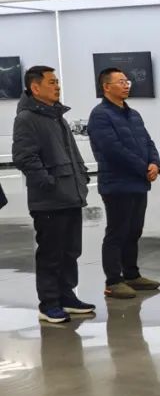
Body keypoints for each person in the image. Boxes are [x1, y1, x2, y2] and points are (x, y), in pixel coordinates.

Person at [12, 65, 96, 323]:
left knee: (70, 251)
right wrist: (48, 183)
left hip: (70, 195)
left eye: (57, 81)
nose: (57, 86)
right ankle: (49, 303)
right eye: (51, 82)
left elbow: (71, 152)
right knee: (51, 254)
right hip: (49, 200)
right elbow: (24, 157)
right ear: (35, 87)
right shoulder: (27, 118)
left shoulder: (56, 116)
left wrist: (81, 176)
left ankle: (66, 297)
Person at [86, 67, 160, 299]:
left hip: (138, 182)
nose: (126, 85)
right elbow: (112, 150)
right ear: (106, 86)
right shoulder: (100, 115)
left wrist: (155, 163)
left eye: (127, 81)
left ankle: (131, 274)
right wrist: (143, 168)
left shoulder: (133, 114)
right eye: (120, 81)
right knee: (117, 232)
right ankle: (113, 280)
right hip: (117, 183)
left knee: (134, 231)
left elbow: (147, 141)